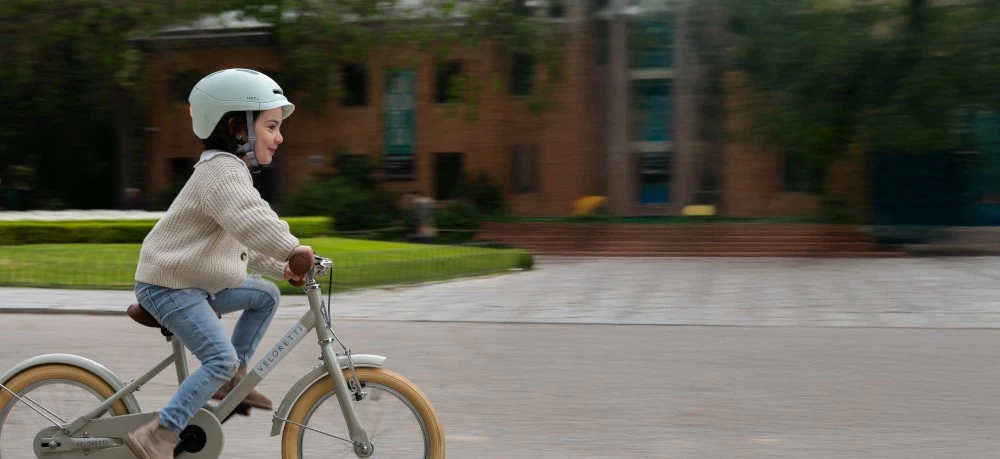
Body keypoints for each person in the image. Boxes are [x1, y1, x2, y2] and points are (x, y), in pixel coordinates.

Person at [126, 68, 313, 459]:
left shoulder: (232, 171)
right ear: (237, 127)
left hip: (193, 282)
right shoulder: (222, 172)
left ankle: (232, 380)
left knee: (264, 294)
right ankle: (159, 434)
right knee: (218, 357)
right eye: (272, 126)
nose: (280, 137)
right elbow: (253, 220)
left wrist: (285, 268)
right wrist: (291, 247)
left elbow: (240, 239)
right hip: (169, 285)